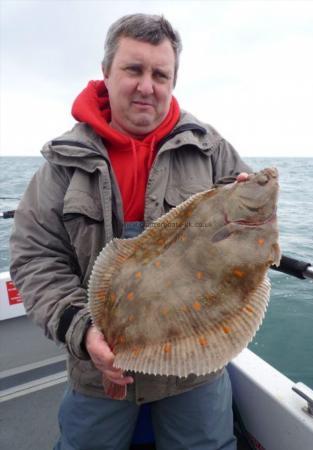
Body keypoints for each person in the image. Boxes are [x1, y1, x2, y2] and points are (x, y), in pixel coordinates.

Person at [10, 13, 252, 450]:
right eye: (134, 69)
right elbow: (35, 258)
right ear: (106, 72)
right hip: (98, 368)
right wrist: (83, 332)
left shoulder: (212, 151)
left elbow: (249, 252)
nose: (147, 85)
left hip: (192, 366)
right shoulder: (64, 163)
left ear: (174, 81)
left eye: (161, 74)